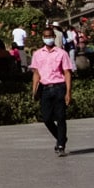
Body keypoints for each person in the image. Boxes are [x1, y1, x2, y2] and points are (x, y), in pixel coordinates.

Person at [30, 28, 73, 156]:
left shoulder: (62, 53)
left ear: (54, 37)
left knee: (60, 117)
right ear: (42, 37)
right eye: (45, 36)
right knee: (47, 118)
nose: (47, 38)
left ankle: (60, 145)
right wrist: (34, 90)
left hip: (59, 87)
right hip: (45, 89)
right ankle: (61, 137)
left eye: (49, 36)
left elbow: (67, 73)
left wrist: (68, 92)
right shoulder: (37, 54)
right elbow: (36, 73)